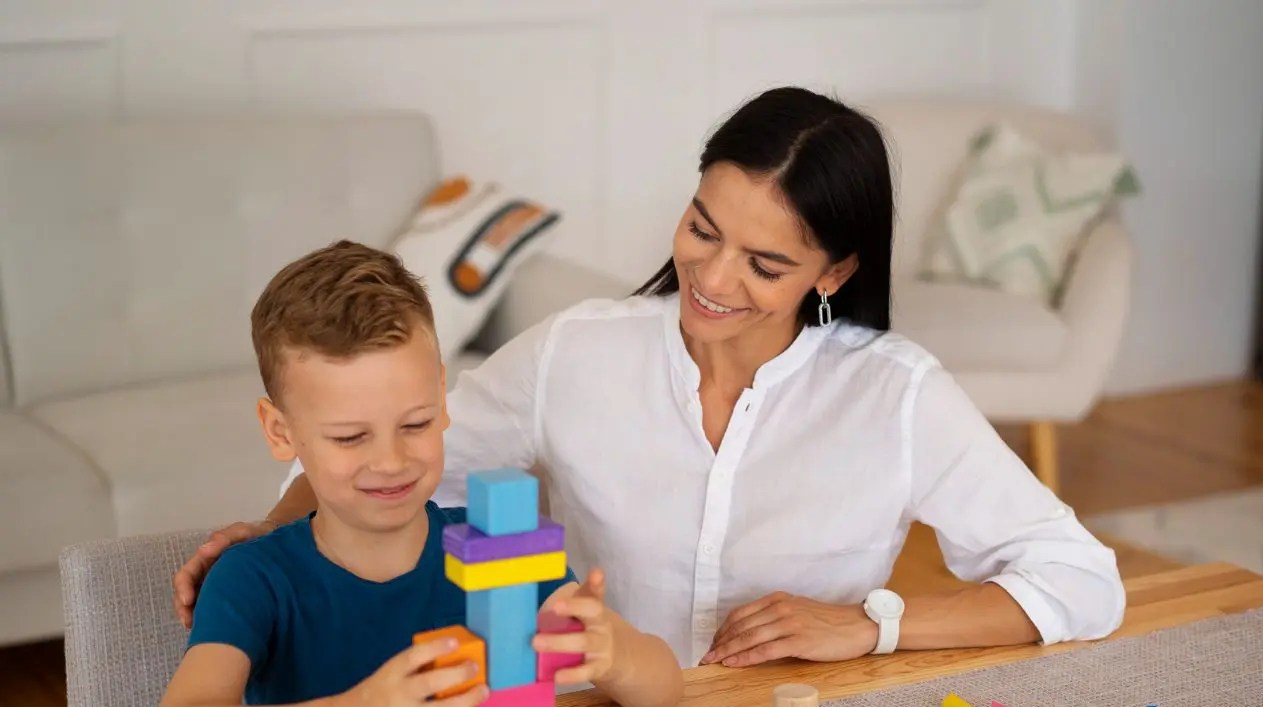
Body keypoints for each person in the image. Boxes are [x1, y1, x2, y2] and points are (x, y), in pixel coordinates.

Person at [171, 86, 1126, 675]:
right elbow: (405, 457)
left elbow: (1082, 581)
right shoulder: (578, 353)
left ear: (832, 273)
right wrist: (268, 534)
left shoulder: (896, 396)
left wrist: (870, 627)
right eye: (703, 229)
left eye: (765, 264)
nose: (711, 281)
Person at [149, 241, 682, 707]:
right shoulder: (254, 578)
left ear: (442, 401)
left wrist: (614, 654)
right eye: (351, 436)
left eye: (416, 424)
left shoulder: (499, 544)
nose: (391, 461)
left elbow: (663, 690)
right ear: (281, 432)